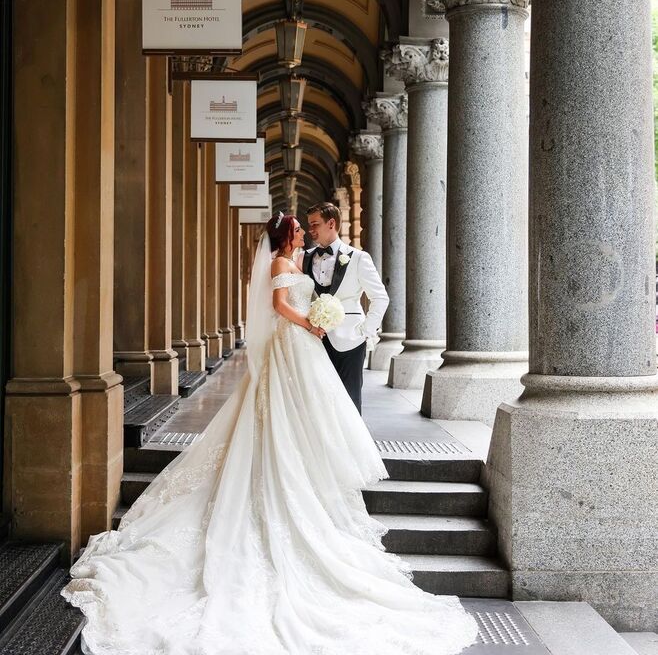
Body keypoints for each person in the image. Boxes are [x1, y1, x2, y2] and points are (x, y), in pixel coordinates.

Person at [61, 213, 478, 655]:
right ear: (287, 237)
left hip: (309, 347)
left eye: (309, 227)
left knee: (309, 415)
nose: (305, 233)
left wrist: (337, 325)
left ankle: (305, 472)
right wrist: (310, 323)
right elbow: (280, 308)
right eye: (300, 229)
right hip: (294, 343)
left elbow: (354, 297)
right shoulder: (282, 265)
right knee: (278, 413)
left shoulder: (301, 260)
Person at [303, 202, 388, 413]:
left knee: (350, 399)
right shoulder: (305, 257)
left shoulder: (359, 258)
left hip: (350, 340)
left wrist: (365, 331)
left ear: (331, 223)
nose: (310, 230)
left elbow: (380, 297)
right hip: (313, 340)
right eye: (309, 225)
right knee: (317, 399)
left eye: (315, 224)